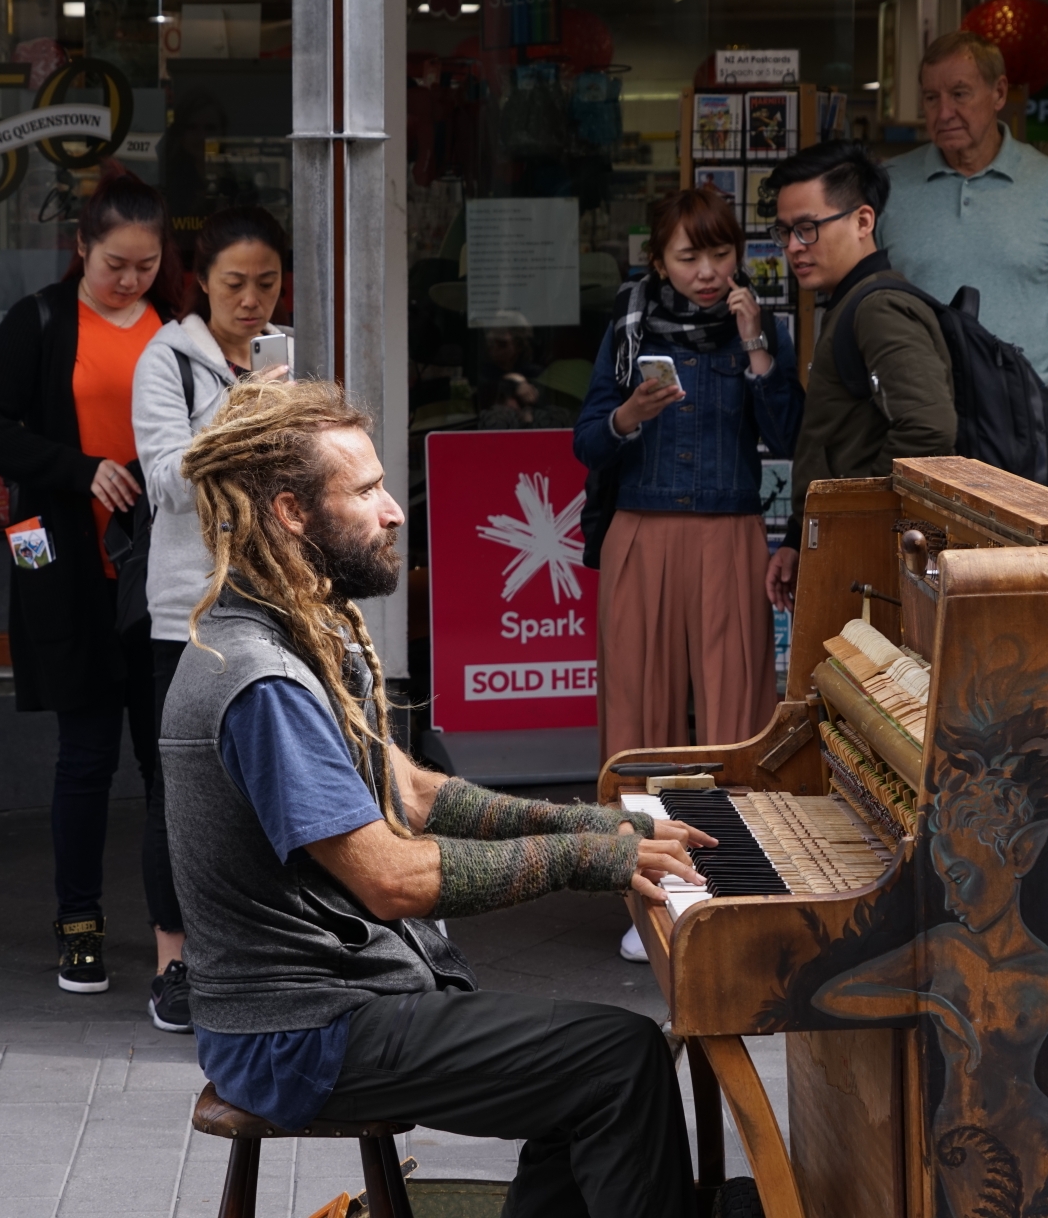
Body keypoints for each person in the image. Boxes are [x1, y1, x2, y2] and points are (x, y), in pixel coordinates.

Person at [166, 377, 715, 1216]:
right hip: (298, 1034)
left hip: (331, 1007)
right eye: (366, 491)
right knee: (618, 1060)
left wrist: (595, 823)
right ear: (290, 513)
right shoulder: (261, 679)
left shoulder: (293, 633)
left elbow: (414, 794)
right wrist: (588, 858)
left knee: (593, 1063)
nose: (393, 511)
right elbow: (392, 878)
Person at [0, 171, 191, 1007]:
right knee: (85, 756)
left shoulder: (179, 329)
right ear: (81, 248)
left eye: (146, 265)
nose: (130, 281)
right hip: (58, 559)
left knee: (167, 762)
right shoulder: (43, 320)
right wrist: (79, 470)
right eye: (116, 264)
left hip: (159, 574)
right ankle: (79, 922)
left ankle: (178, 939)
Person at [574, 186, 802, 965]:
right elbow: (588, 442)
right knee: (640, 712)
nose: (707, 272)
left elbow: (788, 434)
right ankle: (652, 896)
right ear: (659, 261)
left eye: (720, 253)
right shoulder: (630, 329)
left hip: (730, 532)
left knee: (736, 704)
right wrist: (631, 413)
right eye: (688, 256)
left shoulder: (759, 328)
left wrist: (759, 351)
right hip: (642, 528)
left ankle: (734, 880)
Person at [132, 205, 292, 1029]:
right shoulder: (168, 359)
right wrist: (240, 417)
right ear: (201, 280)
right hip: (186, 609)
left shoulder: (281, 357)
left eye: (266, 282)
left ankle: (259, 948)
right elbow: (164, 479)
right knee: (178, 790)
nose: (253, 299)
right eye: (235, 283)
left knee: (270, 777)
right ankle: (175, 963)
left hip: (272, 601)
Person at [878, 30, 1048, 456]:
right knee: (918, 528)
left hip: (1024, 427)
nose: (944, 112)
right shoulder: (887, 186)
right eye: (931, 98)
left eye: (959, 94)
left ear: (998, 92)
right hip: (911, 424)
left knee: (1018, 528)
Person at [763, 141, 959, 613]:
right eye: (785, 231)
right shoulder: (852, 302)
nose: (793, 246)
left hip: (872, 555)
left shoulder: (878, 308)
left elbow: (930, 427)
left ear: (863, 221)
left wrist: (852, 512)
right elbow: (841, 435)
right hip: (857, 546)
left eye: (807, 228)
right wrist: (800, 532)